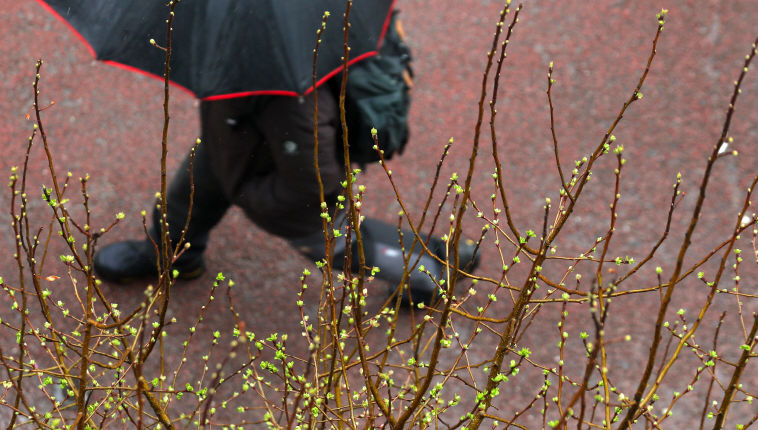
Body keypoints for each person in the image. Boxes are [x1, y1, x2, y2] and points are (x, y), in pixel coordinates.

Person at [92, 16, 479, 307]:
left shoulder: (294, 96)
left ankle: (430, 270)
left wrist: (249, 194)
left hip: (284, 183)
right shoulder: (245, 42)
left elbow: (312, 178)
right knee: (187, 198)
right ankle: (173, 255)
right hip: (233, 142)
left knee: (333, 242)